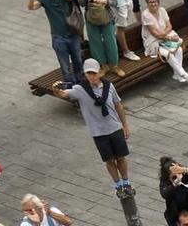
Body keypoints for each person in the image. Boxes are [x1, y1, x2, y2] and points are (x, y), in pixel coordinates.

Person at [57, 60, 133, 194]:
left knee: (121, 157)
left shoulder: (109, 86)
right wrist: (55, 89)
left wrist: (125, 125)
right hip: (98, 132)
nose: (92, 76)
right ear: (85, 75)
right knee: (109, 160)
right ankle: (118, 184)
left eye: (94, 73)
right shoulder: (80, 89)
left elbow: (118, 105)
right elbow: (63, 94)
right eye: (88, 74)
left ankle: (126, 181)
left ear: (100, 73)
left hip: (114, 127)